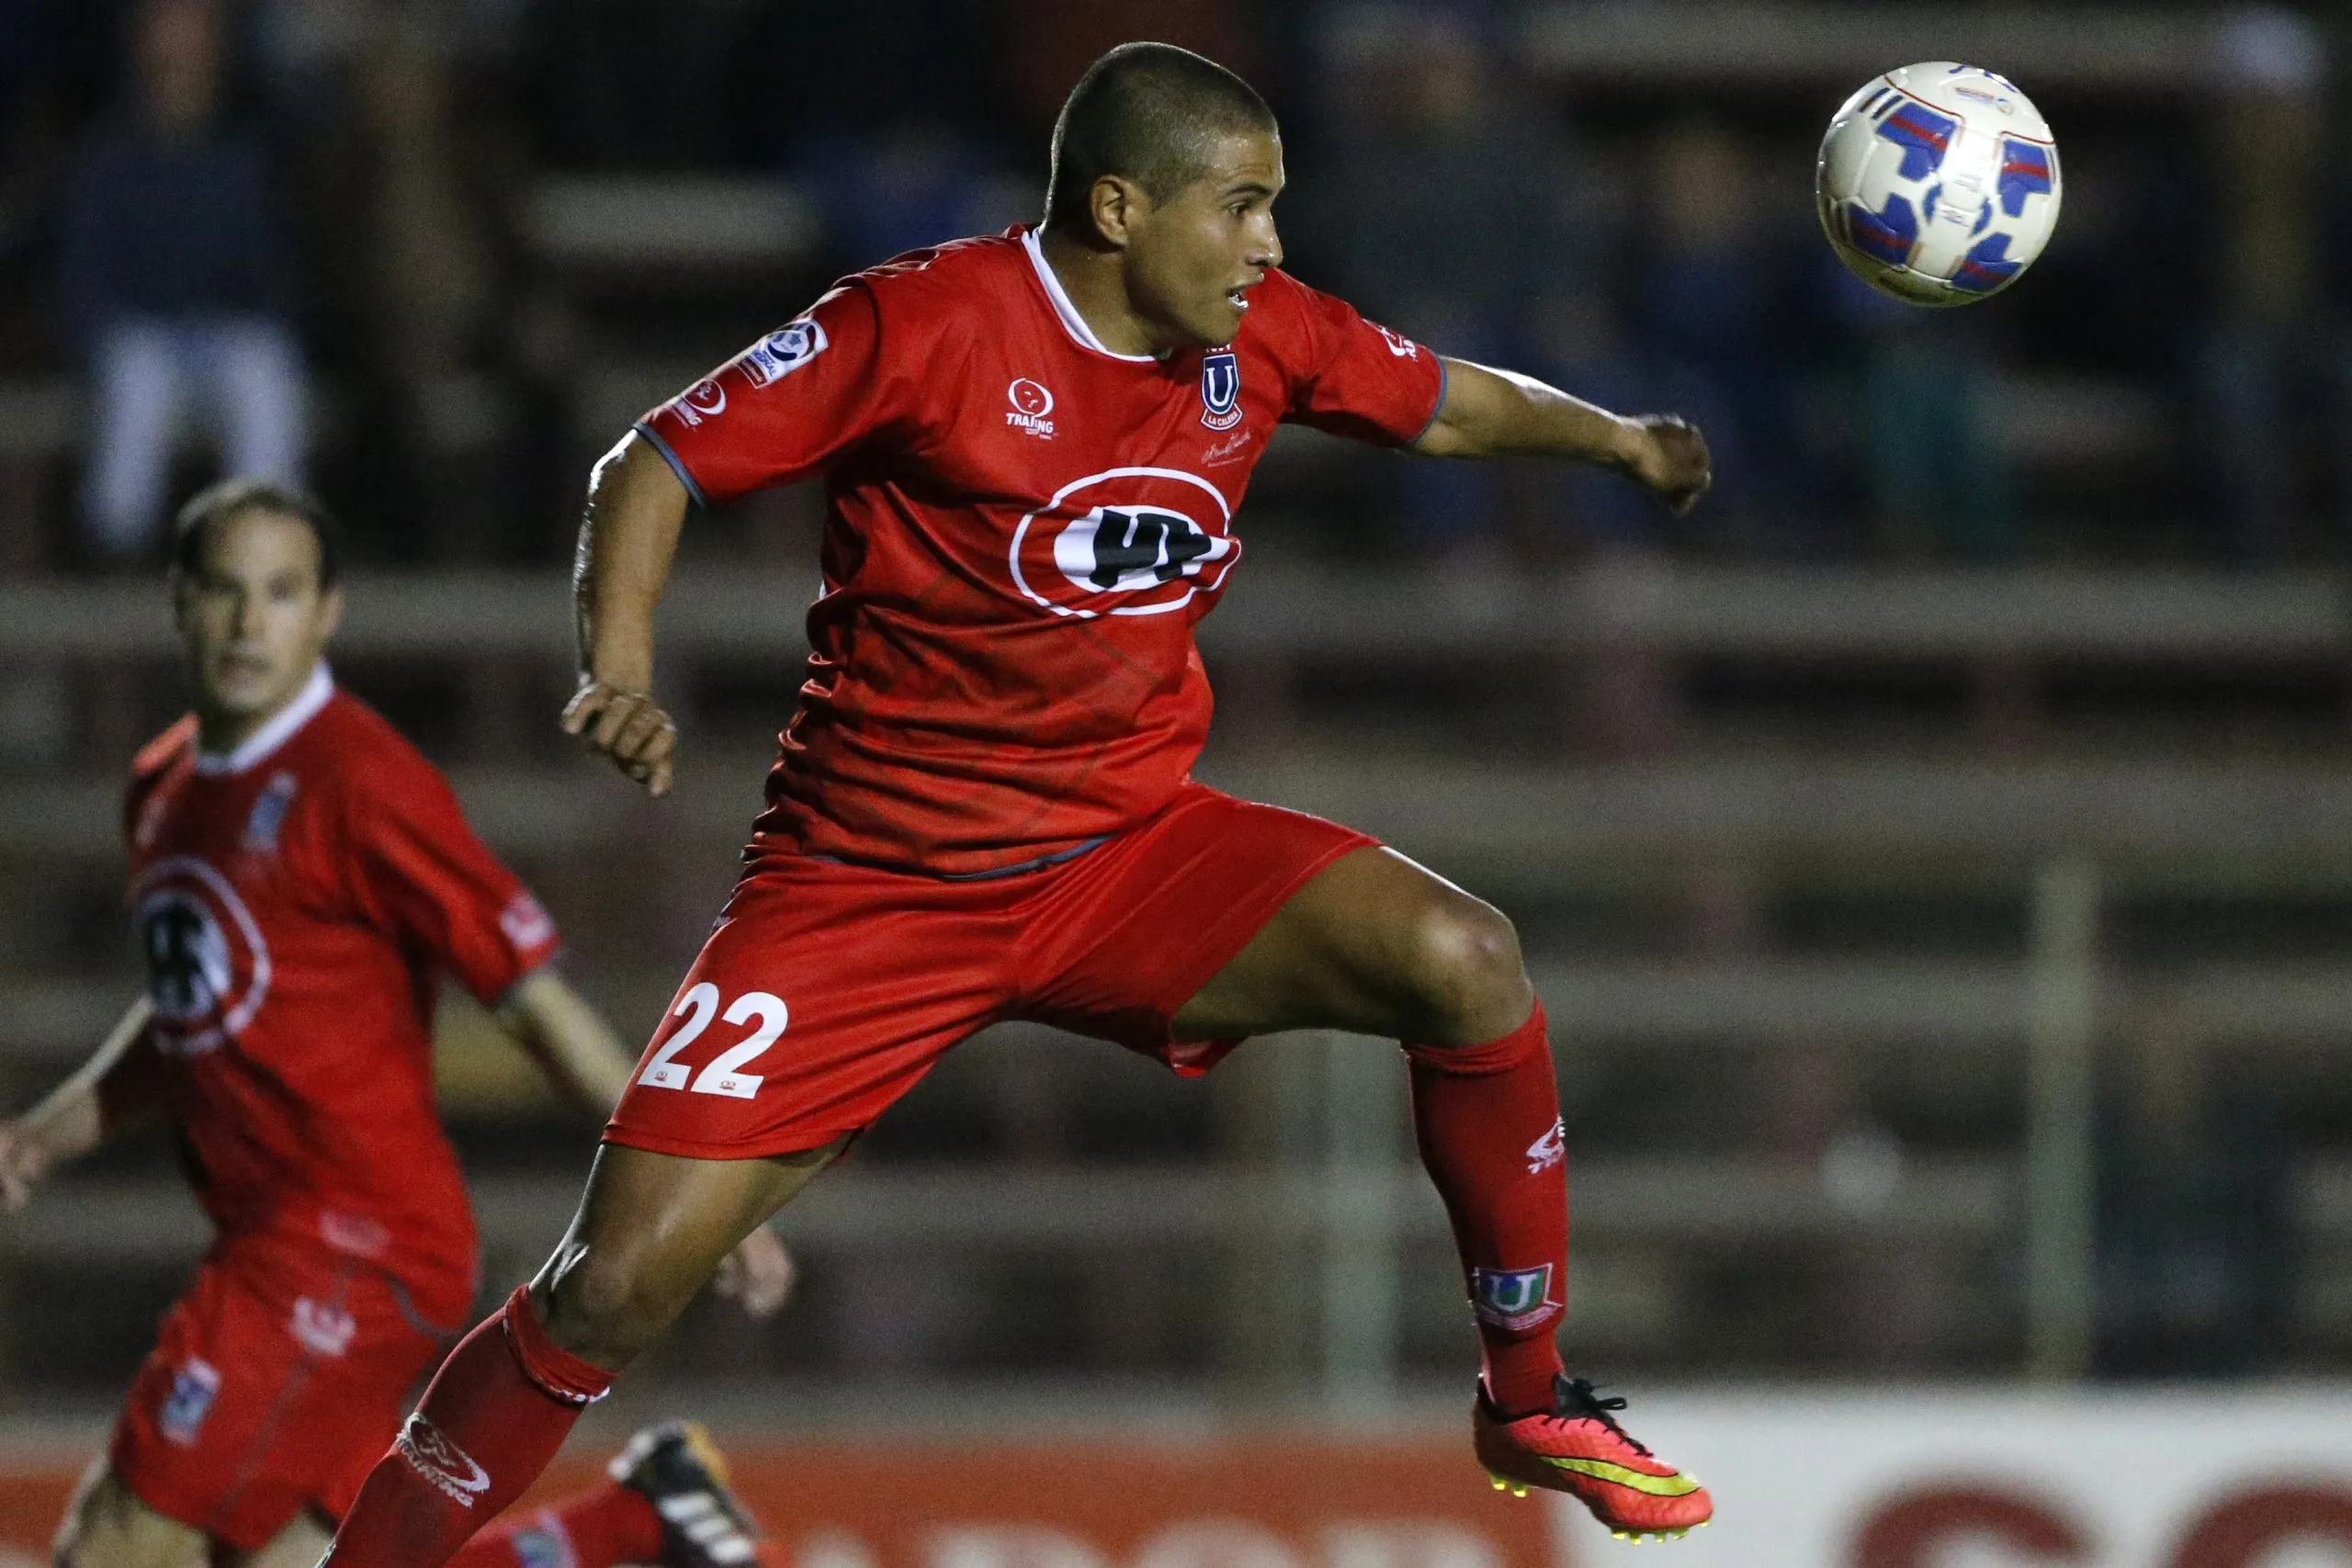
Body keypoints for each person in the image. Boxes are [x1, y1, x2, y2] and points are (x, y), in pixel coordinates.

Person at [320, 42, 1718, 1562]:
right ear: (1120, 207)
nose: (1270, 244)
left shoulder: (1266, 339)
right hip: (870, 887)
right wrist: (621, 668)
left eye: (1276, 209)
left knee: (1465, 958)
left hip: (1125, 850)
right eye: (1241, 207)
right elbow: (652, 462)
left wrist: (1618, 439)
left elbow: (1442, 404)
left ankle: (1527, 1393)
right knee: (614, 1281)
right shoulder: (919, 325)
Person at [0, 479, 790, 1568]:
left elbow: (536, 1005)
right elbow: (198, 1005)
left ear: (326, 613)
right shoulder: (163, 787)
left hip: (337, 1248)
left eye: (279, 593)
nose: (247, 621)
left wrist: (690, 1184)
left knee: (115, 1552)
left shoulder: (359, 781)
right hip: (301, 1242)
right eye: (224, 591)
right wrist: (47, 1128)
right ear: (178, 603)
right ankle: (635, 1522)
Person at [60, 0, 307, 567]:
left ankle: (263, 555)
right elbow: (84, 278)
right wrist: (96, 334)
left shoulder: (243, 154)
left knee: (263, 370)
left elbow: (272, 270)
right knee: (136, 381)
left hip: (223, 336)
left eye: (194, 33)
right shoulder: (108, 156)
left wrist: (259, 316)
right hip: (142, 338)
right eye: (166, 32)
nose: (179, 48)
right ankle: (117, 554)